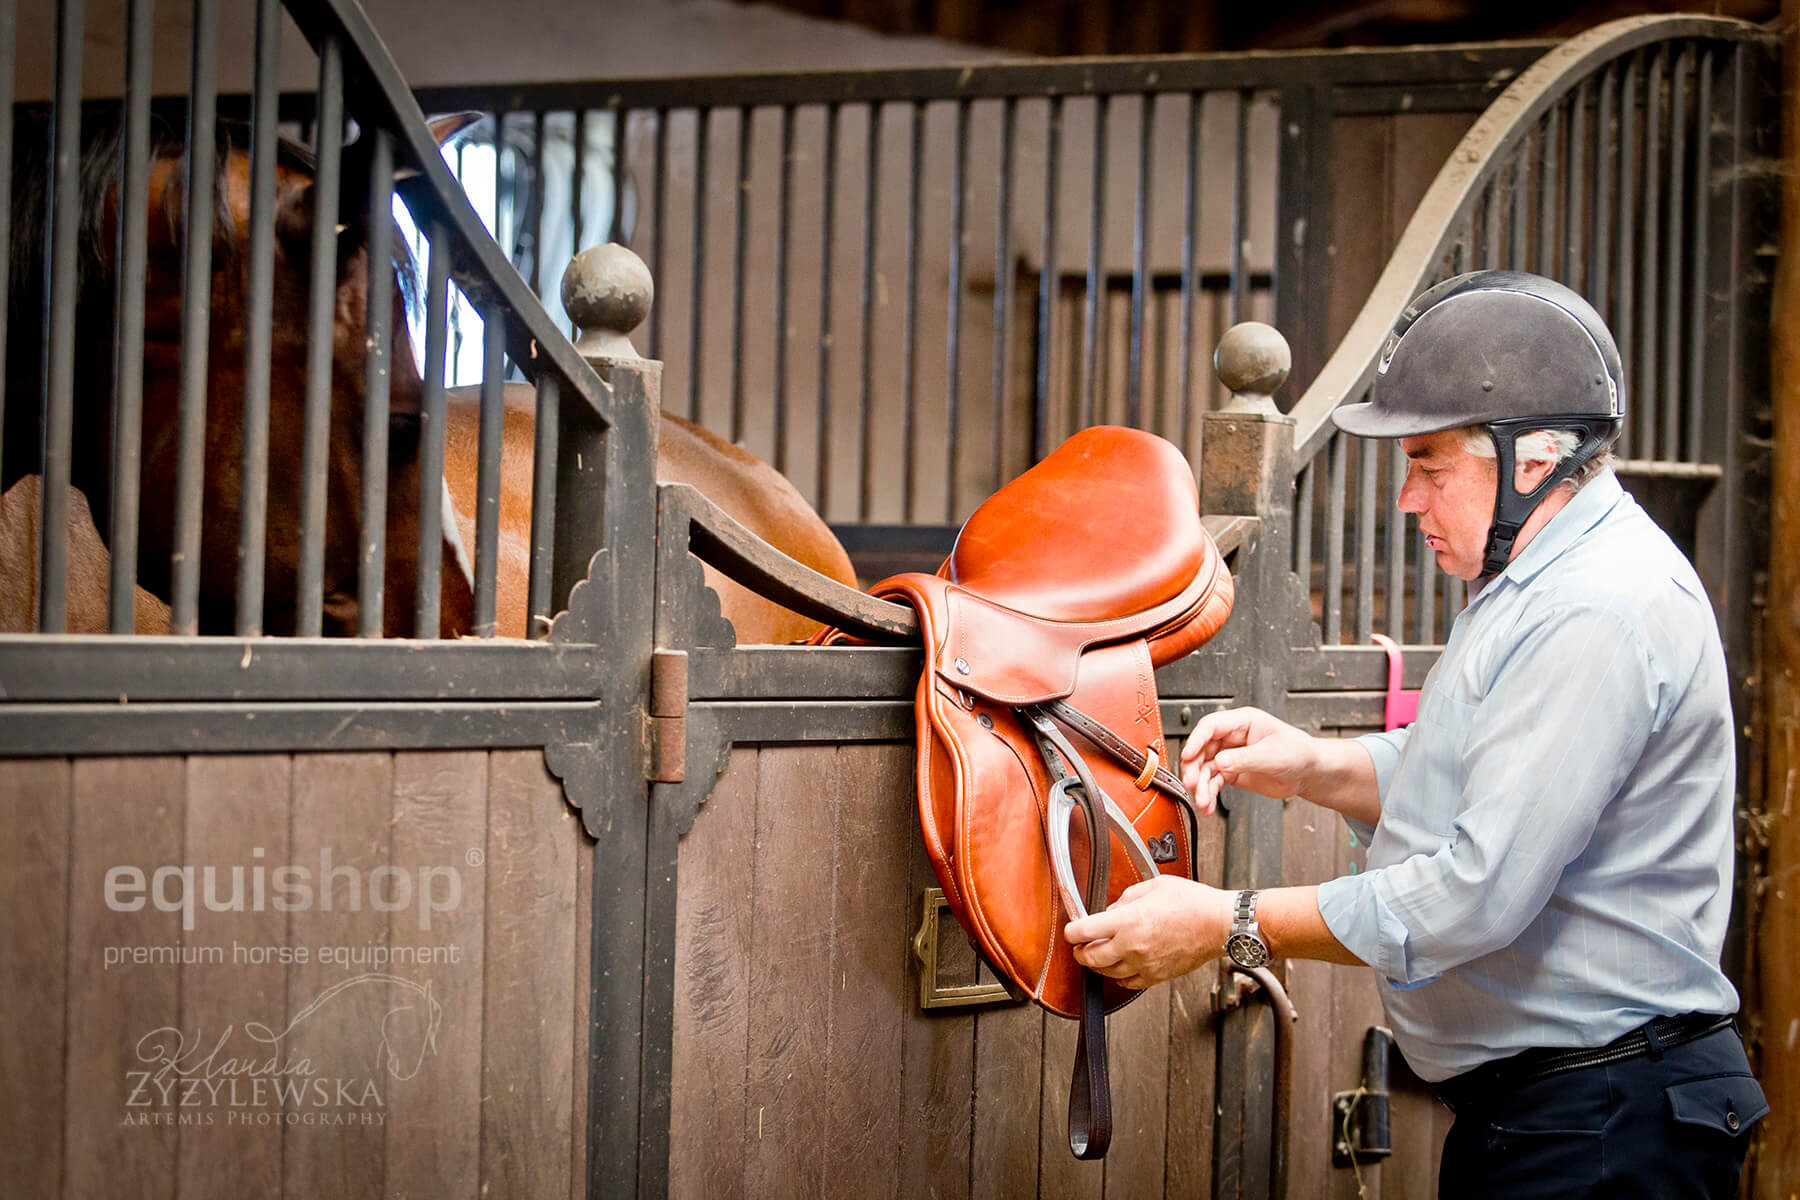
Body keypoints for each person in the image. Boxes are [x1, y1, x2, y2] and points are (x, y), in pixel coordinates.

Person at [1063, 270, 1767, 1197]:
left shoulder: (1594, 610)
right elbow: (1477, 774)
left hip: (1603, 1125)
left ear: (1531, 460)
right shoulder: (1530, 582)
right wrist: (1316, 765)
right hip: (1563, 1114)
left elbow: (1477, 892)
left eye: (1429, 467)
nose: (1409, 501)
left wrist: (1225, 924)